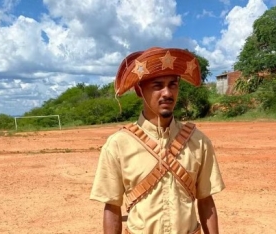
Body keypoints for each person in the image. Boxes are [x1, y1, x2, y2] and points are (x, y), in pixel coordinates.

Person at [90, 47, 225, 234]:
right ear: (139, 90)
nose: (167, 93)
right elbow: (112, 207)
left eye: (173, 84)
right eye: (157, 86)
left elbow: (206, 200)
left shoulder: (199, 141)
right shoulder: (118, 145)